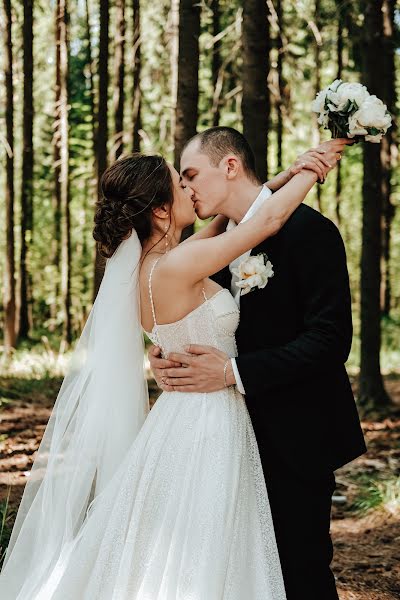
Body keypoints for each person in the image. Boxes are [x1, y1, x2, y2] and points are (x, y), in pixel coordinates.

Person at [1, 135, 347, 599]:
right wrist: (312, 166)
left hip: (179, 421)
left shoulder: (151, 267)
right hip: (210, 424)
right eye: (180, 186)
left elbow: (231, 224)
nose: (191, 192)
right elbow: (266, 220)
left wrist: (275, 180)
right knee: (213, 548)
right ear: (161, 211)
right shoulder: (180, 264)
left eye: (191, 180)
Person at [149, 126, 367, 600]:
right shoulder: (213, 247)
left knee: (299, 568)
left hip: (295, 431)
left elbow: (330, 341)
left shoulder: (310, 232)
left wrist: (231, 373)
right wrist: (169, 350)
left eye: (191, 175)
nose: (185, 189)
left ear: (229, 166)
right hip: (222, 439)